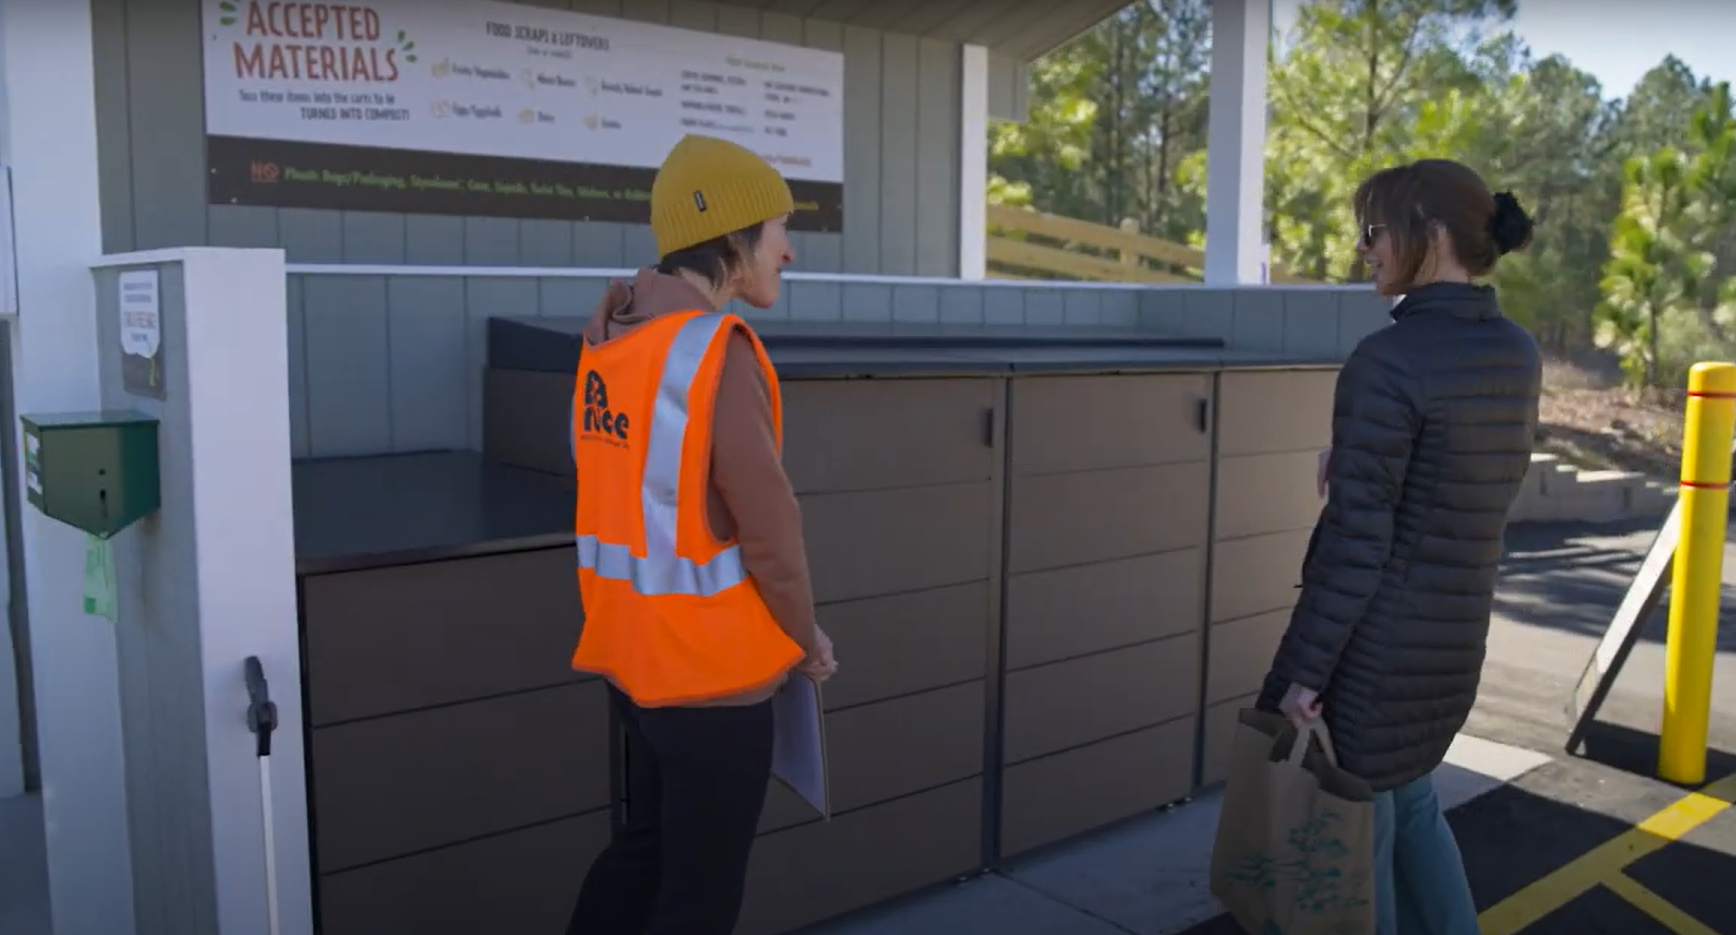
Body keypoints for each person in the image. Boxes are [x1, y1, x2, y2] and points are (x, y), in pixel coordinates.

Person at [563, 133, 838, 935]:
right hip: (712, 684)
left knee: (642, 853)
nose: (788, 251)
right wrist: (803, 636)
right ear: (731, 239)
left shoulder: (609, 337)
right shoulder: (718, 352)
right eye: (778, 229)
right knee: (700, 896)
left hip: (632, 665)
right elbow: (771, 528)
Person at [1258, 158, 1541, 935]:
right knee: (1412, 803)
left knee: (1360, 848)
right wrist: (1352, 459)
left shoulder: (1387, 361)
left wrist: (1302, 673)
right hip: (1453, 641)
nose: (1365, 247)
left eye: (1375, 230)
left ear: (1434, 234)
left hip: (1375, 654)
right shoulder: (1515, 352)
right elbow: (1467, 477)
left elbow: (1358, 544)